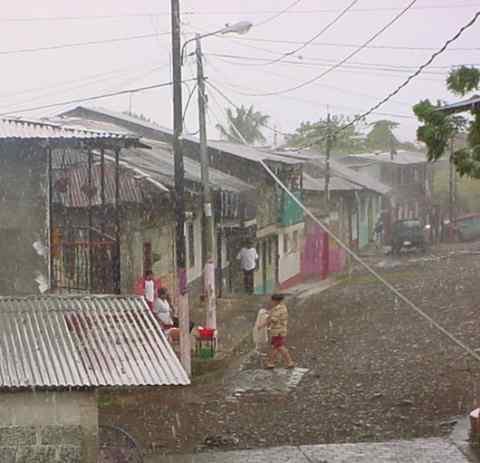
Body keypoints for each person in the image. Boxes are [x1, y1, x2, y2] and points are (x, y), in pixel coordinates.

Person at [261, 294, 294, 369]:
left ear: (276, 301)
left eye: (272, 300)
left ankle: (289, 362)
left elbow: (274, 319)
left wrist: (264, 322)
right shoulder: (280, 308)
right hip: (277, 331)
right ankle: (272, 363)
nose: (271, 302)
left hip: (278, 331)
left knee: (279, 347)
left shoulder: (280, 309)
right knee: (276, 347)